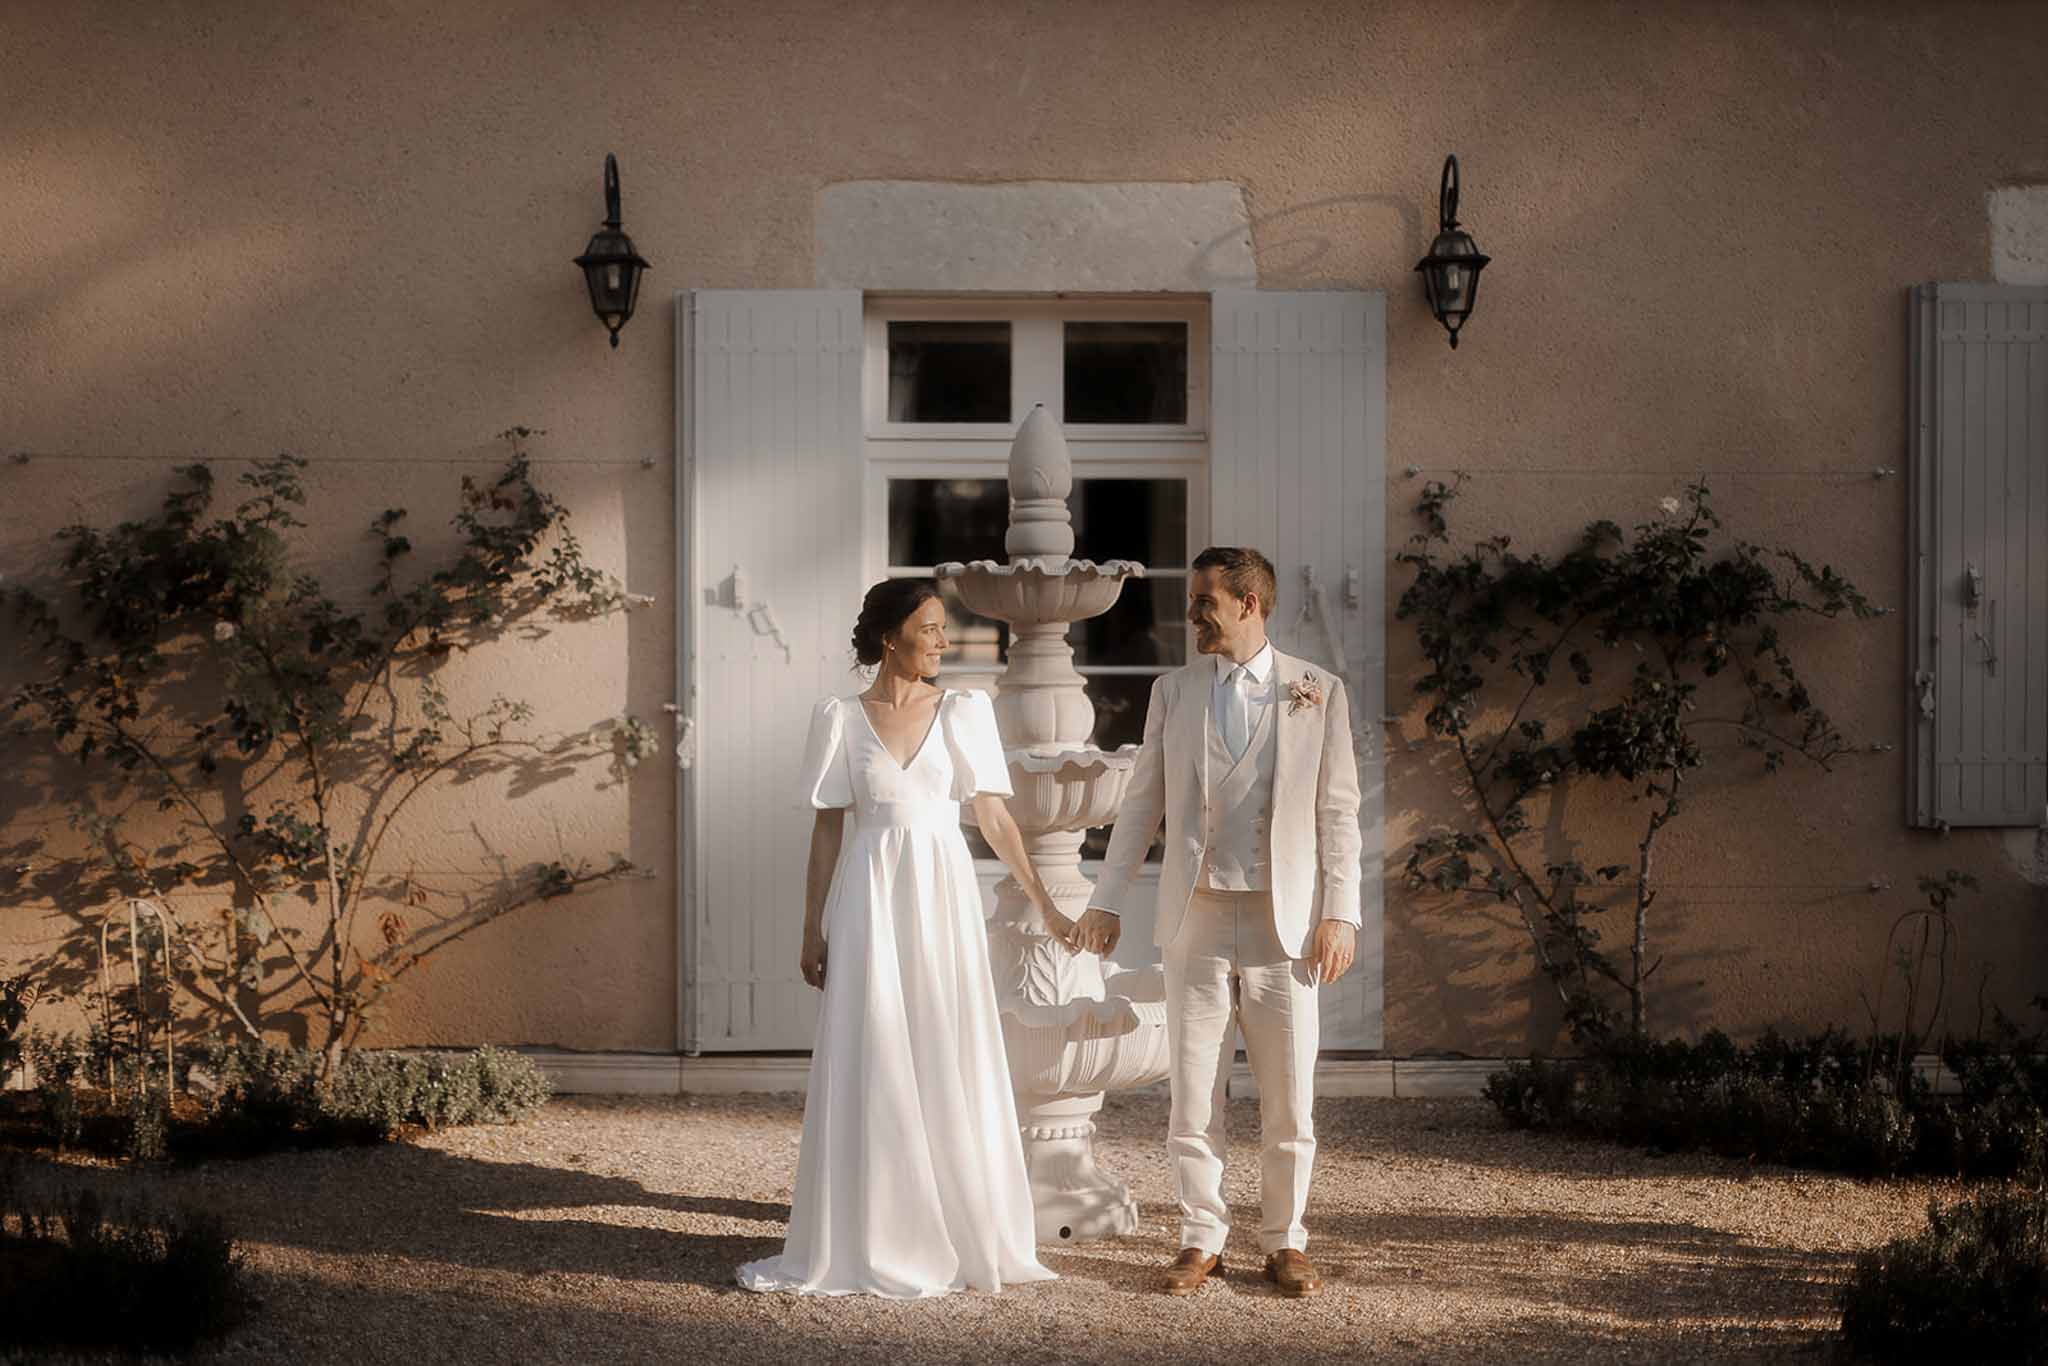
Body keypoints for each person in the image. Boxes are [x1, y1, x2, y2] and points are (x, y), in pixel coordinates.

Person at [737, 578, 1070, 1299]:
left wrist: (1044, 902)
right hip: (869, 899)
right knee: (876, 1047)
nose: (944, 641)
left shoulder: (964, 711)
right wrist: (811, 928)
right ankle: (877, 1230)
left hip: (941, 895)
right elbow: (827, 832)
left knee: (947, 1043)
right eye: (931, 627)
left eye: (945, 627)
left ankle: (963, 1225)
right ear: (892, 637)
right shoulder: (838, 719)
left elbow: (995, 819)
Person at [1075, 546, 1362, 1299]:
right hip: (1194, 915)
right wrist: (1106, 898)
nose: (1192, 613)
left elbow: (1339, 813)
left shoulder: (1317, 691)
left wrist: (1341, 912)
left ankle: (1285, 1240)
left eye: (1205, 600)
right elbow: (1142, 803)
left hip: (1284, 924)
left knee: (1289, 1095)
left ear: (1248, 604)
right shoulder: (1173, 691)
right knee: (1194, 1093)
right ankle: (1201, 1239)